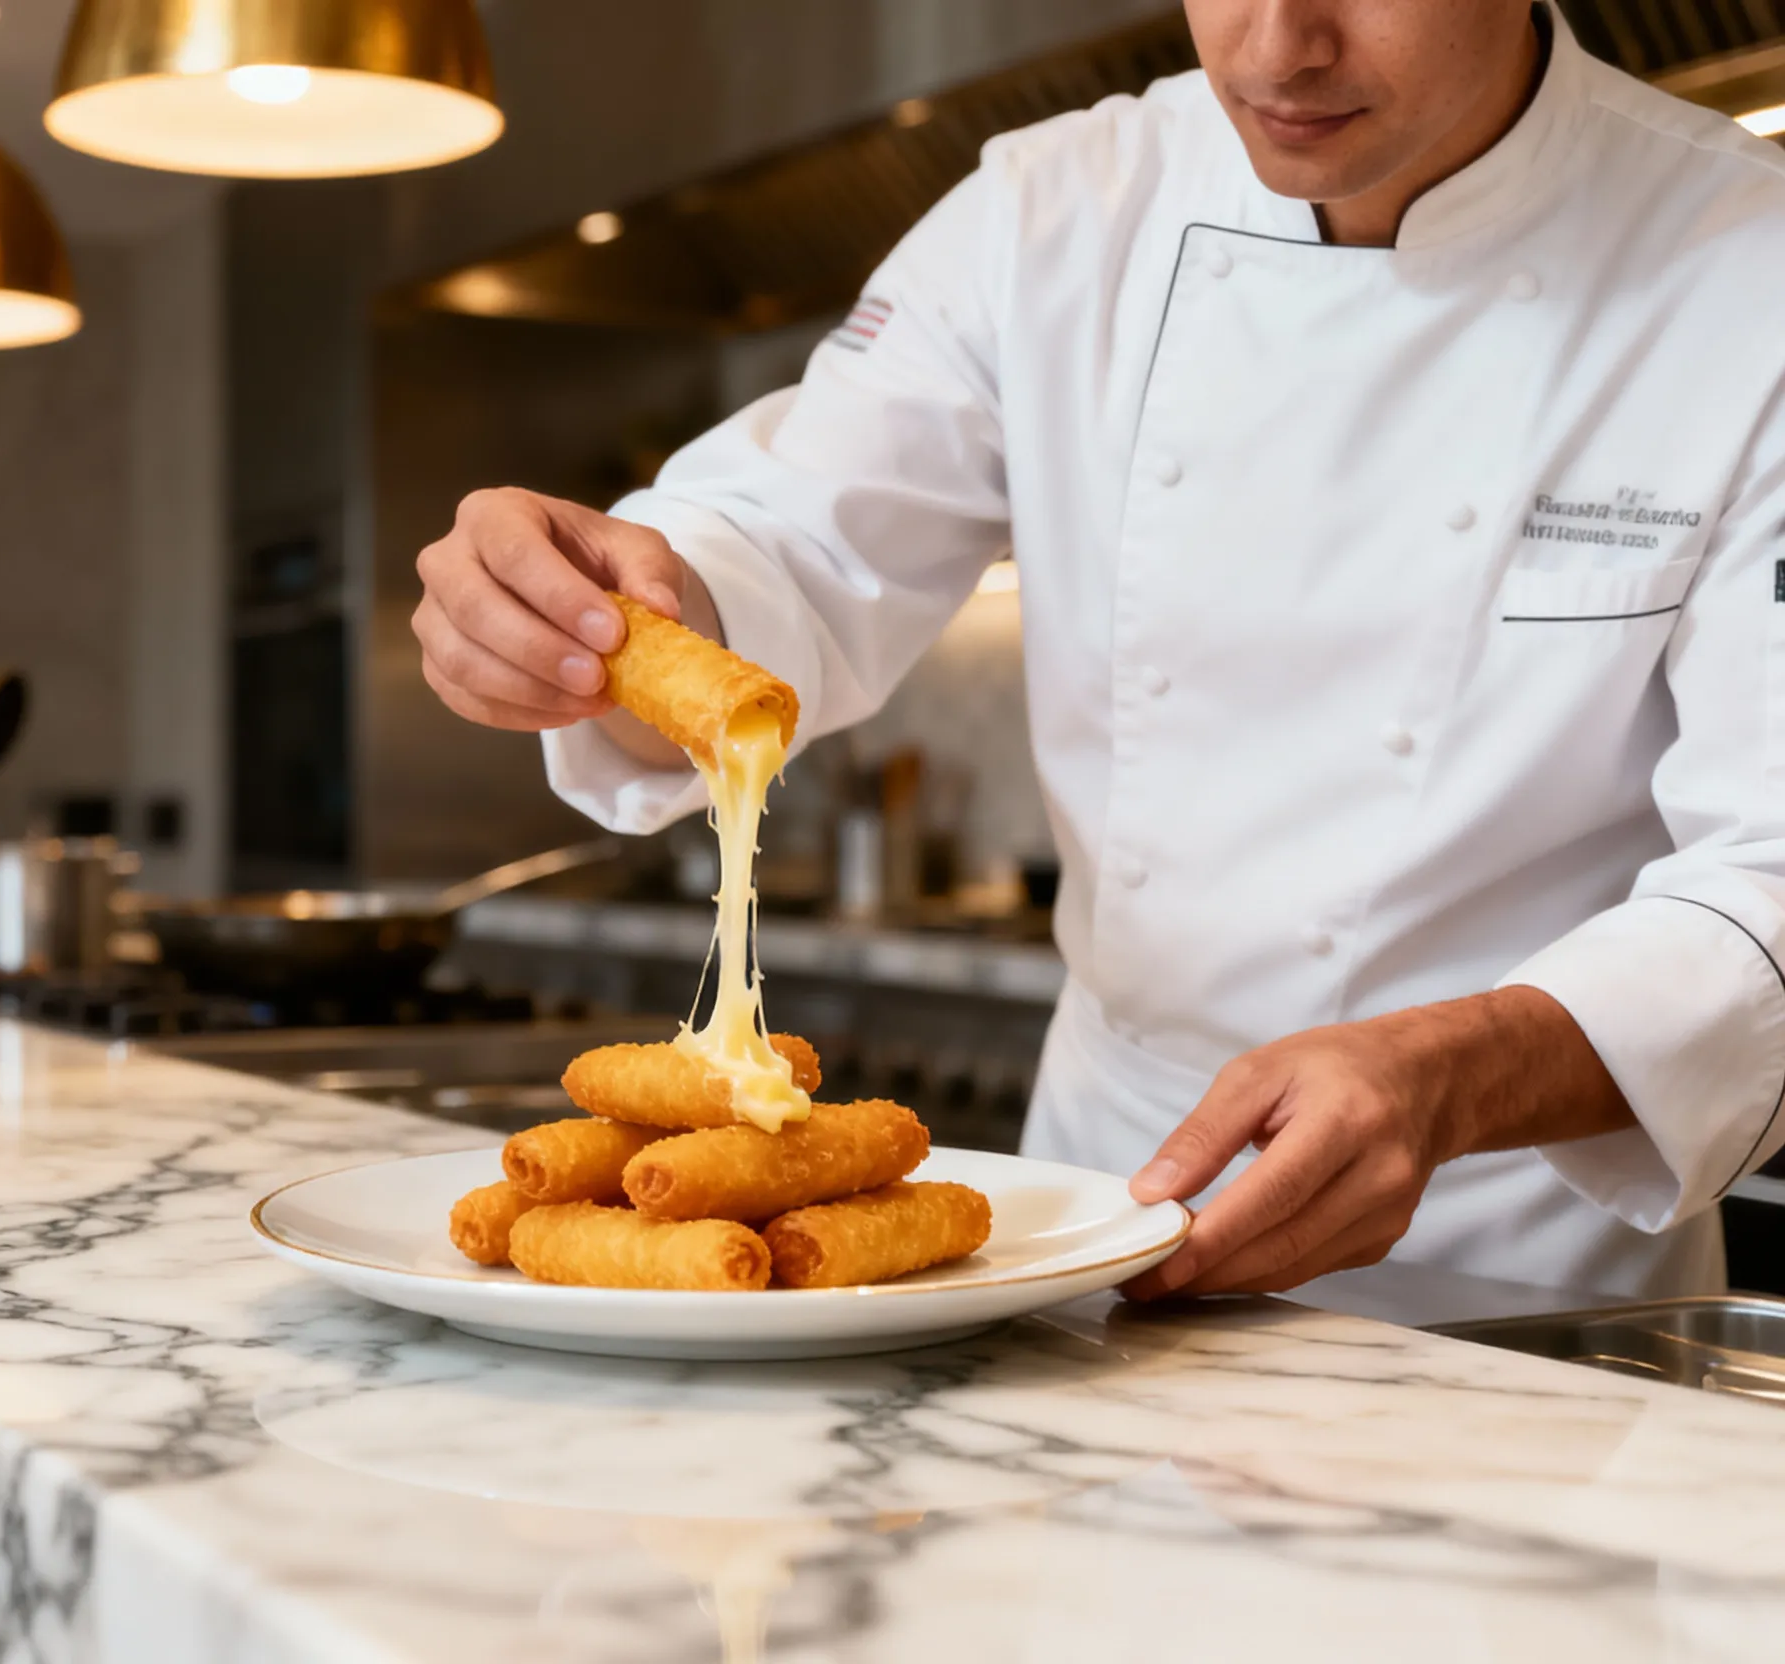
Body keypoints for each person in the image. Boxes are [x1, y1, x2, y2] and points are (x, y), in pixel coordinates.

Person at [408, 0, 1785, 1299]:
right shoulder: (1055, 211)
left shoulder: (1745, 262)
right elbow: (787, 548)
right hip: (1105, 1197)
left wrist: (1459, 1075)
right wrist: (597, 613)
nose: (1279, 47)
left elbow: (1772, 866)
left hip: (1531, 1260)